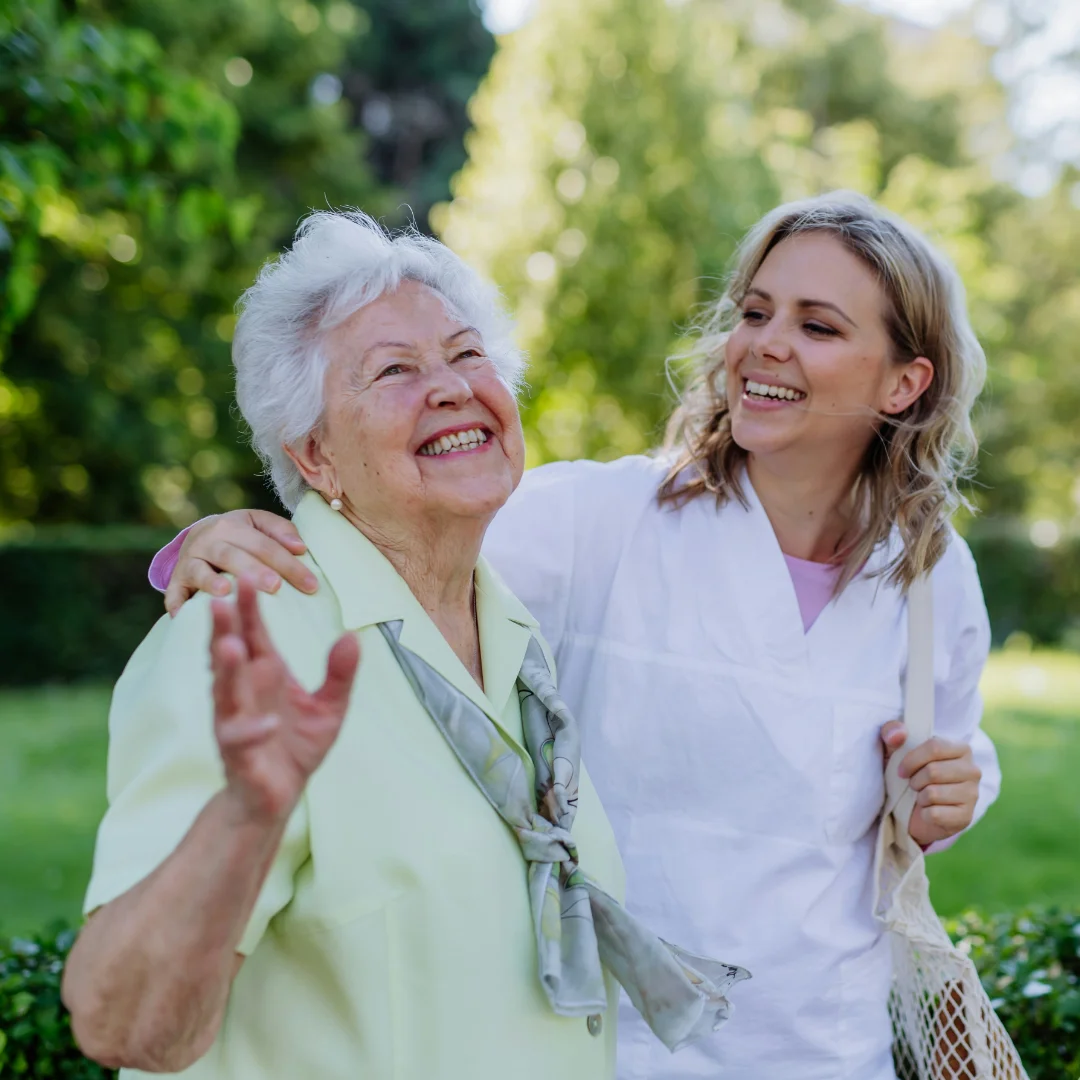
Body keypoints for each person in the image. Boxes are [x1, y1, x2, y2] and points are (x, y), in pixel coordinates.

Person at [149, 192, 999, 1079]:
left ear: (905, 382)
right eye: (755, 311)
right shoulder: (600, 518)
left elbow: (953, 745)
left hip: (831, 1050)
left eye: (817, 327)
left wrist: (949, 794)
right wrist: (209, 544)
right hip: (618, 1052)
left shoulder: (934, 577)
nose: (766, 343)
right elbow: (380, 548)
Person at [62, 212, 747, 1080]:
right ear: (315, 456)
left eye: (467, 354)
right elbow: (127, 1028)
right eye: (394, 370)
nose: (453, 386)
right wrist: (245, 816)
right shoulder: (242, 641)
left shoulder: (510, 635)